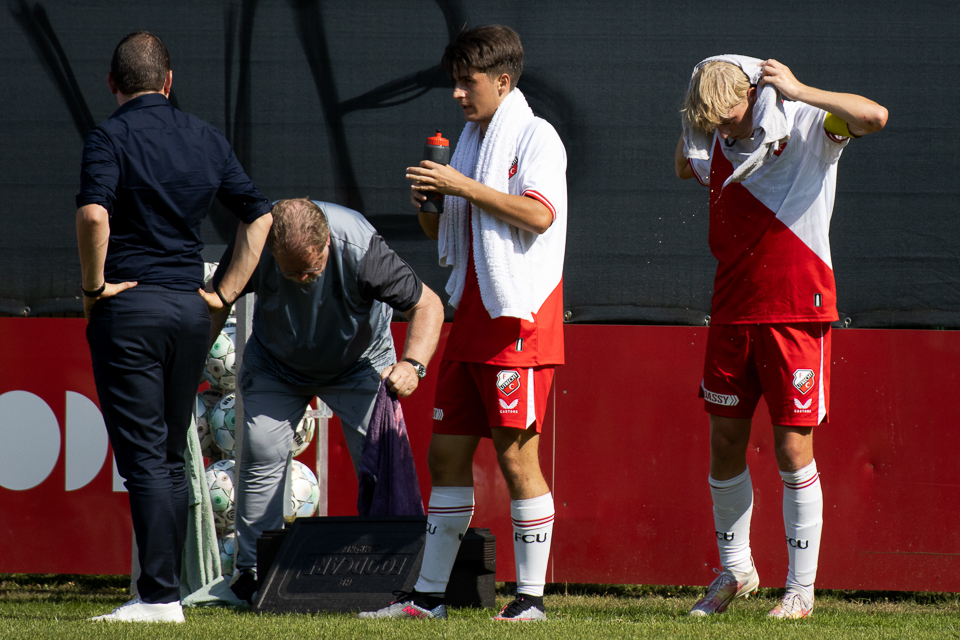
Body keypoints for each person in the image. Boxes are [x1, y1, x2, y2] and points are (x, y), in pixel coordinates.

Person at [359, 24, 567, 622]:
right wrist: (433, 200)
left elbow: (538, 215)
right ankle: (427, 599)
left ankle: (529, 602)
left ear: (503, 80)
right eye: (453, 82)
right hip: (470, 318)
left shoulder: (536, 136)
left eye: (466, 82)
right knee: (445, 457)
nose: (456, 94)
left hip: (518, 323)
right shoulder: (474, 139)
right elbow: (441, 234)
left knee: (516, 460)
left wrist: (461, 185)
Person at [674, 56, 887, 619]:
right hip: (731, 311)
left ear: (756, 91)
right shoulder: (714, 134)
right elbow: (683, 165)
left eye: (729, 114)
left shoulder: (808, 122)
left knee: (794, 449)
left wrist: (798, 88)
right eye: (710, 120)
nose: (722, 129)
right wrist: (698, 123)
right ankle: (736, 571)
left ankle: (800, 591)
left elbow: (874, 117)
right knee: (724, 444)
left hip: (797, 310)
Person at [76, 31, 273, 623]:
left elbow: (92, 214)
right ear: (168, 82)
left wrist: (93, 288)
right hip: (191, 311)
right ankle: (164, 592)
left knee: (147, 460)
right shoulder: (204, 136)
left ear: (113, 84)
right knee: (167, 454)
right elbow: (259, 214)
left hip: (130, 308)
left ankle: (159, 597)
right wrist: (224, 293)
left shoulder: (109, 135)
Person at [209, 197, 444, 603]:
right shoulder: (256, 239)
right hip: (276, 365)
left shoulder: (362, 249)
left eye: (311, 269)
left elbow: (428, 304)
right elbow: (218, 301)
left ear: (329, 246)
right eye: (291, 271)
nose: (301, 279)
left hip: (359, 363)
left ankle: (399, 575)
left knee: (382, 462)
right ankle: (251, 576)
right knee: (262, 453)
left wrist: (413, 364)